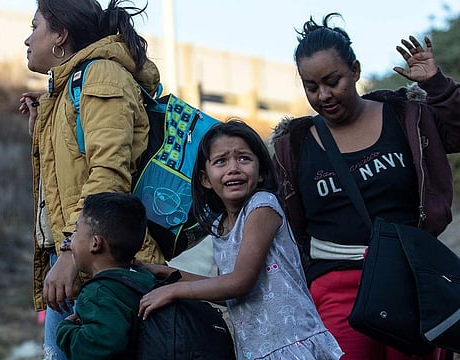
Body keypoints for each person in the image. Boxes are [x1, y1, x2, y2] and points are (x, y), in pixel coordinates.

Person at [271, 12, 460, 360]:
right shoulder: (293, 145)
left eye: (333, 81)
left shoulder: (405, 116)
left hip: (409, 280)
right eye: (311, 87)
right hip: (335, 288)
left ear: (355, 71)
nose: (324, 95)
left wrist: (436, 85)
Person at [18, 1, 164, 358]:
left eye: (35, 26)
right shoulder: (64, 93)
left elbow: (109, 174)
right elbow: (69, 177)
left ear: (60, 36)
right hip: (80, 258)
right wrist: (42, 121)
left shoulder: (100, 76)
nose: (27, 39)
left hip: (100, 263)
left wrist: (69, 253)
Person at [137, 120, 343, 360]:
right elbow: (228, 290)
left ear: (261, 173)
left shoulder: (262, 206)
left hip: (291, 343)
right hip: (258, 351)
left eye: (243, 158)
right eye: (220, 161)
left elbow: (240, 282)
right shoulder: (220, 226)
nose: (233, 168)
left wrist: (175, 290)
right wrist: (166, 272)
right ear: (205, 179)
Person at [55, 192, 156, 359]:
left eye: (76, 230)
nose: (71, 239)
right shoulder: (142, 277)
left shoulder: (97, 293)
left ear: (95, 243)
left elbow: (99, 347)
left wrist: (65, 331)